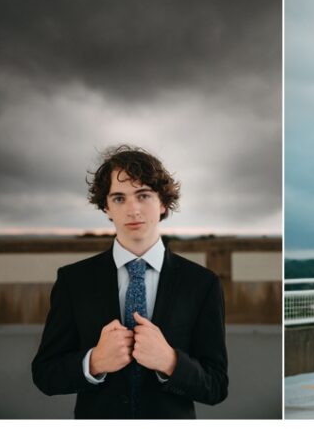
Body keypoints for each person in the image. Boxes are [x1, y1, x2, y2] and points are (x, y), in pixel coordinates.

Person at [32, 145, 227, 418]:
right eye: (119, 198)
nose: (133, 209)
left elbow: (216, 386)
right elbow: (45, 374)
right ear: (107, 207)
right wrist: (94, 362)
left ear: (162, 203)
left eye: (143, 195)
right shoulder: (73, 280)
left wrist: (171, 362)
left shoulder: (203, 284)